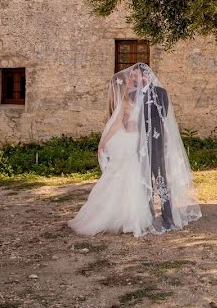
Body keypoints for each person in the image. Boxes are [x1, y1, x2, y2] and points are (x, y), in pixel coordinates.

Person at [67, 63, 201, 236]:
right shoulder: (131, 96)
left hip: (155, 145)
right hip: (136, 146)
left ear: (145, 75)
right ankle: (148, 217)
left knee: (160, 179)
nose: (134, 80)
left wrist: (149, 92)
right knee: (142, 183)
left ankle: (168, 217)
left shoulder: (160, 93)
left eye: (136, 76)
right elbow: (126, 120)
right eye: (133, 77)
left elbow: (162, 116)